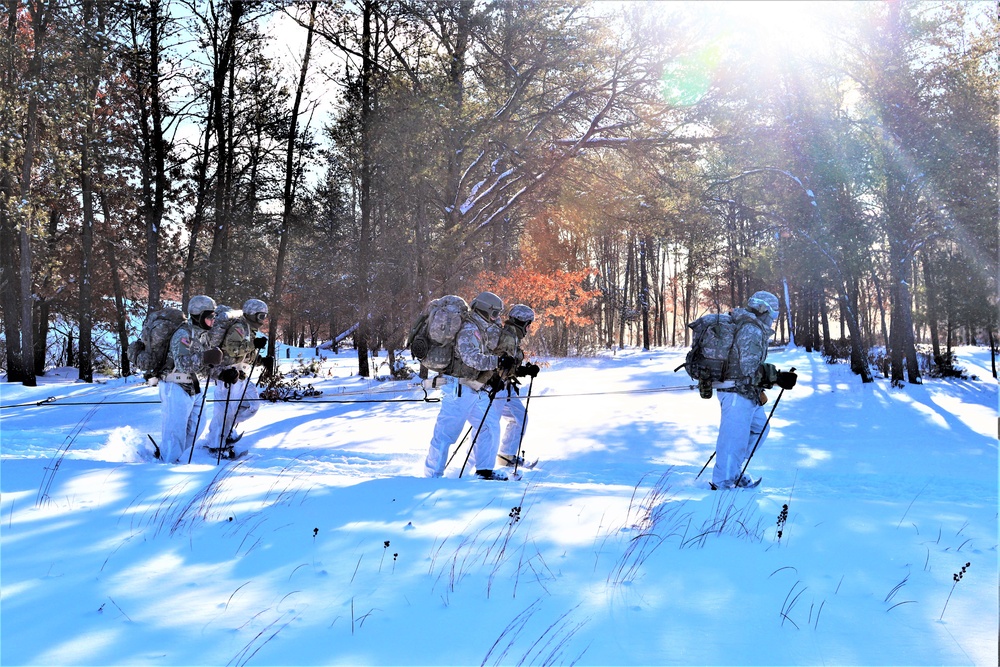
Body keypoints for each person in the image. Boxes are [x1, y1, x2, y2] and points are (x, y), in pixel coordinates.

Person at [422, 291, 514, 480]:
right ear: (485, 310)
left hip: (473, 389)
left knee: (489, 426)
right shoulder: (469, 328)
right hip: (458, 389)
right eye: (495, 313)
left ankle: (484, 471)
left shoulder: (481, 328)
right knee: (446, 434)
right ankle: (432, 476)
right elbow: (470, 357)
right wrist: (497, 362)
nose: (496, 318)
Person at [711, 291, 796, 489]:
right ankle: (721, 484)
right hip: (735, 392)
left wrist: (774, 378)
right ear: (763, 309)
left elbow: (750, 367)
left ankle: (733, 471)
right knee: (733, 440)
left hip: (747, 391)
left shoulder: (753, 327)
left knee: (760, 429)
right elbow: (748, 368)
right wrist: (777, 376)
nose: (774, 319)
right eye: (773, 314)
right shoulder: (751, 329)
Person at [158, 295, 223, 464]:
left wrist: (221, 373)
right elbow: (183, 363)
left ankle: (172, 459)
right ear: (198, 316)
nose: (212, 321)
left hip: (193, 386)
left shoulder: (202, 335)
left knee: (197, 427)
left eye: (213, 317)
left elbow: (205, 364)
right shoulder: (183, 334)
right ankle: (165, 466)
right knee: (175, 432)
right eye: (209, 317)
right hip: (175, 384)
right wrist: (205, 357)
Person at [202, 298, 270, 454]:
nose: (262, 320)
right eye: (261, 316)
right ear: (252, 314)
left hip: (240, 374)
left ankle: (224, 432)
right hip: (228, 374)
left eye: (264, 316)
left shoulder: (249, 329)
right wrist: (254, 345)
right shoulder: (239, 327)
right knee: (225, 409)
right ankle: (217, 444)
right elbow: (233, 350)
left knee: (252, 405)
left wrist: (261, 360)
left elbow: (245, 354)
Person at [490, 304, 540, 470]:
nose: (528, 328)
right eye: (528, 324)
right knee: (489, 426)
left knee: (519, 417)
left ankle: (506, 456)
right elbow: (499, 362)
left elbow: (509, 364)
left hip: (506, 386)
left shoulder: (512, 336)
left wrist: (524, 370)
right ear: (522, 323)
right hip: (495, 387)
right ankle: (475, 465)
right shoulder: (508, 337)